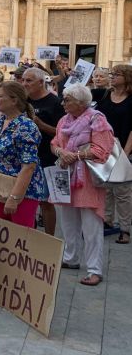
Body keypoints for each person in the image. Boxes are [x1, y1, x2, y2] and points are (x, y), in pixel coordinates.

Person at [49, 84, 115, 286]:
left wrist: (76, 155)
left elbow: (103, 149)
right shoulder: (63, 120)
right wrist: (62, 153)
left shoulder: (97, 118)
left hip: (88, 179)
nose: (63, 103)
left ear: (80, 102)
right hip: (65, 178)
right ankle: (71, 259)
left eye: (67, 99)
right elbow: (54, 143)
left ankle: (95, 270)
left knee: (91, 227)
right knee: (68, 224)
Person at [0, 81, 46, 228]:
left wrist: (14, 197)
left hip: (22, 192)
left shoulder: (26, 126)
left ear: (14, 100)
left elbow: (29, 166)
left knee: (20, 239)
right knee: (1, 237)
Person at [91, 64, 132, 243]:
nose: (113, 77)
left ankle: (125, 228)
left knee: (122, 192)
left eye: (117, 74)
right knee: (105, 188)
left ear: (127, 78)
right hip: (104, 147)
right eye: (112, 74)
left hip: (123, 147)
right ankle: (107, 220)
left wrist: (125, 153)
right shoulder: (105, 95)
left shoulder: (131, 99)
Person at [23, 67, 64, 236]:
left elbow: (62, 133)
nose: (24, 84)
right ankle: (28, 237)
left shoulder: (55, 103)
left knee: (46, 202)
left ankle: (48, 240)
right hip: (25, 158)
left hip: (47, 158)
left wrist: (41, 125)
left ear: (41, 82)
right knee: (26, 201)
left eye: (29, 80)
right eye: (23, 80)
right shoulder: (22, 101)